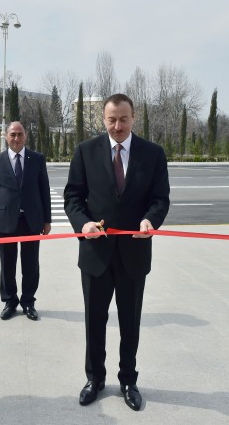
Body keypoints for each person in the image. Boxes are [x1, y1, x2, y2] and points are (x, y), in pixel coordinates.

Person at [64, 93, 170, 411]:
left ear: (133, 117)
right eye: (112, 119)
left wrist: (151, 220)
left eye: (124, 119)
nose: (118, 125)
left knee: (130, 322)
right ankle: (95, 379)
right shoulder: (86, 152)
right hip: (95, 254)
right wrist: (82, 225)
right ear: (103, 119)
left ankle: (128, 381)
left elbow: (160, 199)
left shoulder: (152, 154)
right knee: (94, 320)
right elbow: (73, 197)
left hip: (133, 254)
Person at [0, 121, 52, 321]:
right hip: (5, 221)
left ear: (26, 136)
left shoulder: (37, 159)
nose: (16, 138)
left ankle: (28, 301)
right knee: (7, 264)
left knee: (31, 264)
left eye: (20, 134)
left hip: (31, 220)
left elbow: (44, 190)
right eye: (12, 134)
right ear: (6, 136)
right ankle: (10, 301)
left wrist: (47, 220)